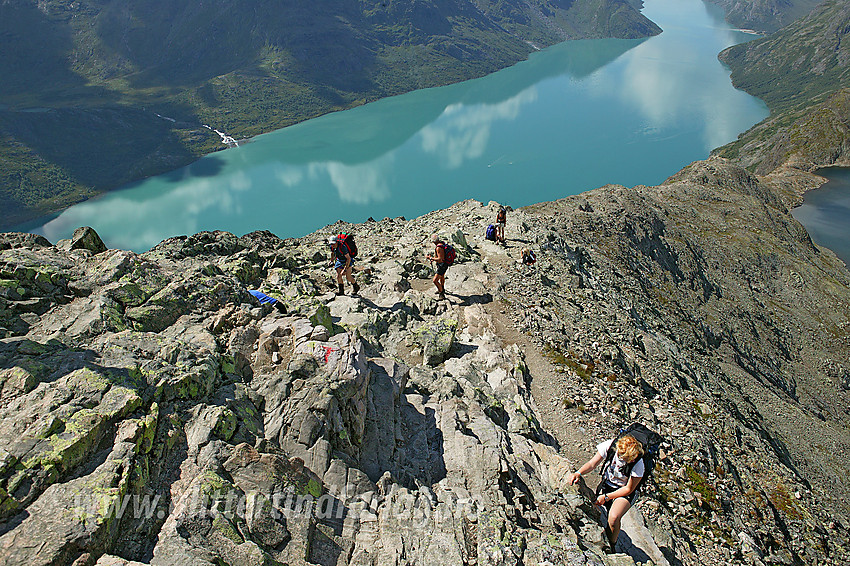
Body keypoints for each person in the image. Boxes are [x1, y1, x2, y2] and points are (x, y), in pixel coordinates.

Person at [566, 434, 646, 549]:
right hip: (608, 485)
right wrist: (578, 473)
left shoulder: (638, 463)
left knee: (613, 517)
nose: (630, 460)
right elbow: (592, 463)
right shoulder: (610, 446)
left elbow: (629, 489)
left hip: (625, 491)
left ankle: (612, 545)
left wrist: (607, 497)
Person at [425, 234, 449, 300]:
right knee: (442, 277)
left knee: (435, 280)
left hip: (442, 265)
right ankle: (442, 288)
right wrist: (433, 259)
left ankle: (441, 294)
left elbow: (440, 259)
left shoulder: (439, 248)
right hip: (444, 264)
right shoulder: (441, 244)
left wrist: (430, 258)